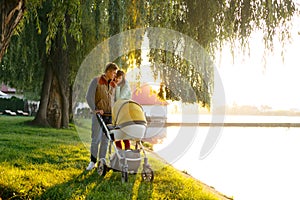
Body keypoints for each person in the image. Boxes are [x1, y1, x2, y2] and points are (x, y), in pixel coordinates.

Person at [85, 62, 119, 171]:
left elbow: (116, 100)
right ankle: (92, 161)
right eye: (113, 73)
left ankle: (102, 161)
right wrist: (95, 110)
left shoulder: (114, 85)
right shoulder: (96, 81)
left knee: (106, 140)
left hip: (110, 116)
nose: (114, 75)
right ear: (108, 71)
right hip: (98, 115)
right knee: (96, 139)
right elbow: (89, 97)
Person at [114, 70, 132, 150]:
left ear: (123, 78)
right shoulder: (117, 85)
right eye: (116, 78)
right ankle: (120, 152)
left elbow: (119, 99)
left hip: (125, 111)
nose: (118, 79)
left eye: (120, 78)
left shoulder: (126, 86)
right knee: (117, 132)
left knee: (124, 132)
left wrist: (117, 86)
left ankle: (127, 151)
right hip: (118, 111)